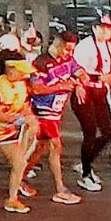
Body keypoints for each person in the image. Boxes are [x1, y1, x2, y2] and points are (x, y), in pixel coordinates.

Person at [26, 31, 88, 205]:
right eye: (67, 49)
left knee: (39, 149)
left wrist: (78, 84)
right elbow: (36, 89)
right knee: (56, 146)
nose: (69, 53)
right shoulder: (41, 63)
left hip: (57, 111)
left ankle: (19, 178)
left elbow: (81, 72)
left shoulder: (68, 59)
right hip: (43, 110)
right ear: (58, 45)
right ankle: (60, 188)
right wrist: (62, 85)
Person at [0, 51, 38, 213]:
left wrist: (30, 117)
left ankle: (12, 199)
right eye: (21, 71)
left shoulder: (21, 85)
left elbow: (24, 106)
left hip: (7, 132)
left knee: (19, 163)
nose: (25, 75)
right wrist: (21, 120)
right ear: (10, 69)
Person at [70, 18, 111, 192]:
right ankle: (86, 174)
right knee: (90, 131)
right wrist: (99, 78)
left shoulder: (107, 46)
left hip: (99, 92)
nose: (107, 33)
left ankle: (85, 161)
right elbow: (76, 71)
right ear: (95, 29)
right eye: (104, 29)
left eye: (109, 29)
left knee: (108, 131)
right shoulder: (85, 47)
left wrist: (109, 80)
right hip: (85, 92)